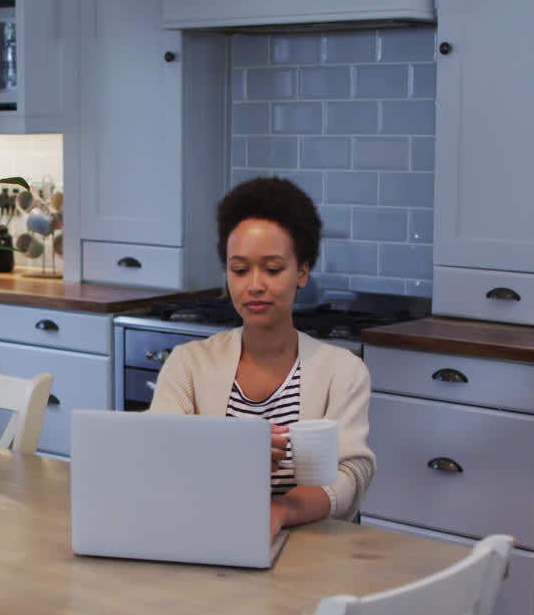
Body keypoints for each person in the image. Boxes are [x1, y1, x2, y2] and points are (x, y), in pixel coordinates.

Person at [148, 177, 375, 537]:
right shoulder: (187, 364)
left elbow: (352, 472)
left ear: (302, 271)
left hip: (313, 554)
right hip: (206, 538)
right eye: (239, 270)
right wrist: (233, 455)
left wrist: (281, 510)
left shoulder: (342, 372)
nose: (254, 285)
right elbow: (159, 457)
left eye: (272, 269)